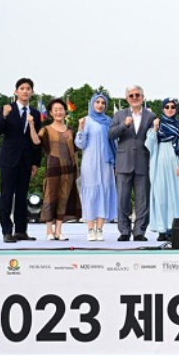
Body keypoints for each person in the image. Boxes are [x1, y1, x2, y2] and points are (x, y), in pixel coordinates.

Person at [0, 78, 41, 243]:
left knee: (22, 196)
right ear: (16, 91)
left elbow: (37, 141)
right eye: (22, 88)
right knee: (7, 196)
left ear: (32, 92)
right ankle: (7, 231)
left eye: (28, 88)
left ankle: (21, 230)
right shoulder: (7, 109)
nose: (25, 91)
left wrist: (36, 162)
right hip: (9, 159)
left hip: (26, 160)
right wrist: (4, 116)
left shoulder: (35, 113)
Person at [29, 98, 81, 241]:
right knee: (50, 198)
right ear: (51, 113)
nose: (59, 112)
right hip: (52, 169)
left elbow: (77, 149)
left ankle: (58, 230)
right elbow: (36, 141)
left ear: (65, 112)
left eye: (61, 109)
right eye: (55, 110)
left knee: (63, 199)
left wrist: (76, 169)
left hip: (68, 170)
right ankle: (49, 231)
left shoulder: (70, 130)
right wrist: (31, 125)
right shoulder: (46, 130)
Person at [110, 85, 156, 241]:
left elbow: (154, 139)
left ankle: (139, 232)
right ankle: (124, 231)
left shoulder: (151, 116)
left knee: (142, 199)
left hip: (143, 162)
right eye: (131, 95)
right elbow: (110, 134)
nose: (135, 98)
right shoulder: (119, 115)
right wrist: (125, 125)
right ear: (127, 98)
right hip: (124, 162)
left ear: (143, 97)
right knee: (122, 198)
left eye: (138, 95)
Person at [146, 98, 179, 242]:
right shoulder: (157, 126)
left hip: (176, 164)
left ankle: (175, 227)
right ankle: (162, 229)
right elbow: (150, 146)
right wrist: (154, 129)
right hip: (159, 165)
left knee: (176, 196)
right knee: (161, 197)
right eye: (167, 107)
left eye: (173, 107)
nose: (170, 109)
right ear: (162, 109)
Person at [78, 94, 119, 242]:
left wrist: (116, 162)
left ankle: (100, 229)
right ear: (92, 104)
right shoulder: (86, 120)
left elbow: (114, 143)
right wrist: (80, 129)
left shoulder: (109, 121)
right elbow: (80, 144)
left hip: (106, 163)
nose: (100, 105)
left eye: (103, 103)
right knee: (91, 192)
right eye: (97, 102)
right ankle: (90, 228)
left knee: (104, 191)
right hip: (90, 162)